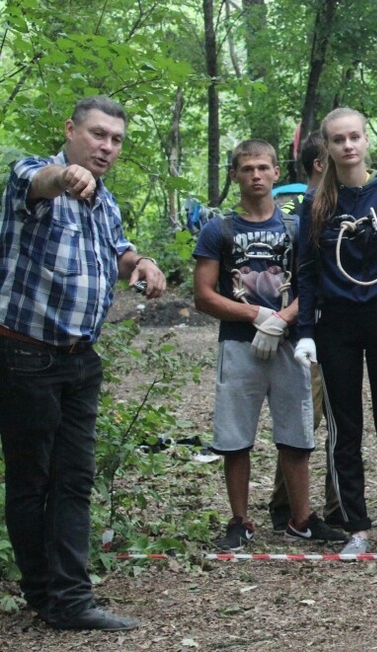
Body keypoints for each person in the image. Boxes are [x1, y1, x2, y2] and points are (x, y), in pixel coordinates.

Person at [0, 95, 167, 632]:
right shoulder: (33, 175)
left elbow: (117, 254)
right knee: (32, 481)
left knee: (73, 479)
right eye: (97, 135)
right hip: (25, 353)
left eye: (116, 140)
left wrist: (142, 261)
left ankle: (68, 599)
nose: (106, 147)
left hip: (80, 359)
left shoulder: (106, 204)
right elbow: (39, 181)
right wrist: (64, 175)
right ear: (70, 130)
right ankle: (44, 593)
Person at [193, 140, 345, 551]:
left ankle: (300, 518)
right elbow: (203, 294)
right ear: (234, 175)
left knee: (296, 433)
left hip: (290, 344)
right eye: (246, 169)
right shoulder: (219, 229)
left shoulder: (296, 228)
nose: (255, 175)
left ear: (278, 172)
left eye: (263, 167)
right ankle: (240, 520)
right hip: (239, 345)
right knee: (235, 437)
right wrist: (254, 316)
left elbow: (313, 284)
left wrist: (281, 319)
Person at [294, 107, 377, 556]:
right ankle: (356, 527)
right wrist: (305, 330)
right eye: (338, 140)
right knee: (343, 428)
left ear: (366, 140)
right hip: (336, 323)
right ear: (326, 149)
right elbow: (306, 271)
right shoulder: (316, 203)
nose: (348, 146)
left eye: (354, 137)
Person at [267, 131, 339, 532]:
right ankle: (287, 506)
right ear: (319, 164)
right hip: (301, 329)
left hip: (341, 326)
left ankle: (338, 506)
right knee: (303, 420)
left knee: (339, 422)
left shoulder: (346, 202)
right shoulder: (294, 212)